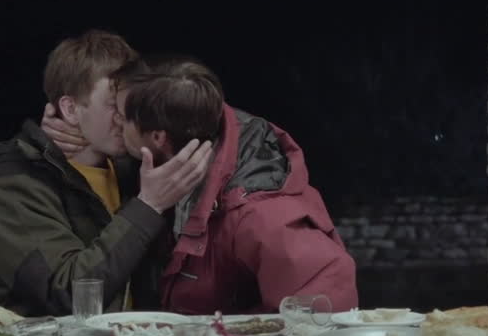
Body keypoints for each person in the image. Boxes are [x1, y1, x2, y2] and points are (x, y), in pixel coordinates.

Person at [43, 56, 359, 314]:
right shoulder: (179, 135)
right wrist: (69, 127)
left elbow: (327, 305)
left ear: (157, 136)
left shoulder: (260, 212)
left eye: (122, 116)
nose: (114, 121)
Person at [0, 30, 212, 316]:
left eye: (132, 102)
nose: (127, 116)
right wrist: (148, 206)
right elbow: (67, 293)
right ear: (70, 109)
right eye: (113, 104)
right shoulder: (14, 183)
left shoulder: (132, 168)